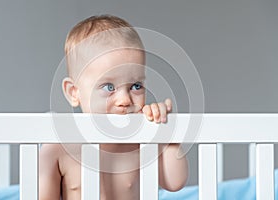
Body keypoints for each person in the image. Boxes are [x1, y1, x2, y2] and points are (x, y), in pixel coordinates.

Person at [39, 14, 188, 200]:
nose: (124, 100)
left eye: (136, 86)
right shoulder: (58, 145)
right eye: (109, 87)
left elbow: (175, 182)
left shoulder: (143, 136)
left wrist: (164, 130)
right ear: (73, 92)